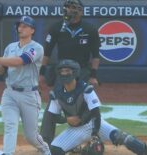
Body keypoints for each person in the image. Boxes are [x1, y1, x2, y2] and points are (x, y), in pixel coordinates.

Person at [47, 59, 147, 155]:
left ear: (75, 72)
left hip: (94, 123)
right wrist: (66, 119)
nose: (64, 73)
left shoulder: (86, 89)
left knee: (122, 137)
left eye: (67, 71)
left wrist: (94, 134)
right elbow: (53, 117)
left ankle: (146, 150)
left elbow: (96, 113)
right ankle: (79, 149)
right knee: (54, 150)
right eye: (62, 71)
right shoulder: (56, 93)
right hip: (76, 129)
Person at [0, 16, 51, 155]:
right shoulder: (10, 47)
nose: (21, 28)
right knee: (10, 126)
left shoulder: (36, 48)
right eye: (20, 26)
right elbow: (2, 70)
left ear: (32, 30)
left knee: (31, 136)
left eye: (25, 26)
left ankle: (44, 148)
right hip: (10, 93)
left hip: (29, 95)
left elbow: (20, 61)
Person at [40, 0, 101, 145]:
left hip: (83, 71)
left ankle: (93, 137)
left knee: (88, 106)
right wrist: (41, 73)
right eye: (67, 7)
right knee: (53, 104)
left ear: (80, 11)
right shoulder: (56, 27)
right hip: (63, 71)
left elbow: (96, 55)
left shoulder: (90, 29)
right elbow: (47, 52)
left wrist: (93, 76)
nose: (68, 10)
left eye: (73, 7)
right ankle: (45, 141)